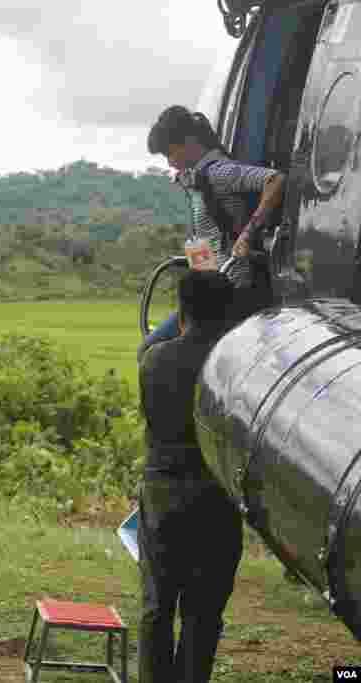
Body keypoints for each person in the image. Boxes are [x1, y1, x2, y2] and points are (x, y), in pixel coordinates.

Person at [137, 269, 243, 683]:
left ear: (182, 313)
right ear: (228, 314)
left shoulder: (154, 359)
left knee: (156, 608)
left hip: (162, 494)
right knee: (202, 615)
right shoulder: (237, 371)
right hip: (216, 502)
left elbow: (155, 340)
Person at [140, 105, 285, 362]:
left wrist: (248, 234)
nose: (169, 162)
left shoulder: (218, 172)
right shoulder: (195, 180)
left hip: (232, 291)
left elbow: (275, 180)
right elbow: (205, 235)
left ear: (188, 142)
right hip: (210, 294)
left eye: (169, 153)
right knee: (153, 351)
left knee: (153, 354)